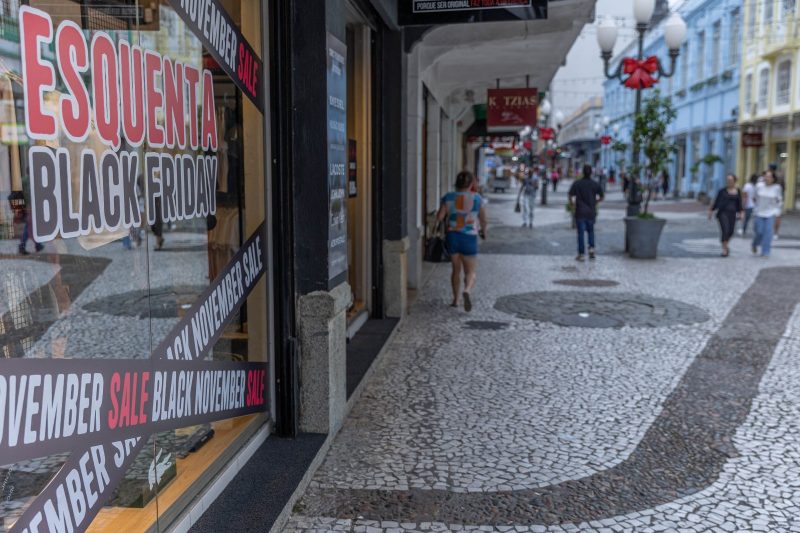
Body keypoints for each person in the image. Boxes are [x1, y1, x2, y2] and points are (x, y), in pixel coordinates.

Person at [436, 170, 487, 311]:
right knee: (470, 271)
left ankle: (456, 300)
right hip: (469, 237)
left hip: (453, 237)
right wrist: (484, 231)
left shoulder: (448, 197)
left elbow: (440, 217)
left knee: (455, 270)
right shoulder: (477, 198)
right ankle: (467, 290)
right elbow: (483, 219)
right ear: (471, 184)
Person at [568, 165, 604, 261]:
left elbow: (570, 194)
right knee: (591, 231)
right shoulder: (594, 184)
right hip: (591, 211)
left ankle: (581, 254)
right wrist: (596, 202)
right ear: (591, 172)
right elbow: (602, 196)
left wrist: (572, 204)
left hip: (580, 211)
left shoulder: (577, 183)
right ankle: (591, 248)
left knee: (580, 233)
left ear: (583, 172)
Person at [708, 174, 743, 257]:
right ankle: (725, 249)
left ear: (734, 181)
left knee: (731, 231)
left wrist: (741, 213)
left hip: (733, 214)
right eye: (727, 180)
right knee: (725, 229)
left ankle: (725, 244)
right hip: (722, 213)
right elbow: (716, 201)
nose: (729, 182)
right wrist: (711, 211)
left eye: (731, 180)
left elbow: (739, 203)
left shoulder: (738, 191)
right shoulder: (722, 191)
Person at [752, 171, 783, 258]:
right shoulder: (759, 186)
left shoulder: (777, 188)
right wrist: (756, 207)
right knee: (759, 232)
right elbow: (754, 197)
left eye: (769, 177)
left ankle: (765, 251)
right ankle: (754, 244)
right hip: (759, 212)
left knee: (768, 233)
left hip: (770, 213)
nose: (767, 178)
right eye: (766, 176)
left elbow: (779, 200)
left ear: (773, 179)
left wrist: (777, 212)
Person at [769, 163, 785, 240]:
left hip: (770, 198)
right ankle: (775, 233)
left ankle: (770, 232)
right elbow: (784, 187)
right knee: (777, 216)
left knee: (770, 215)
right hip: (778, 198)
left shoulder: (768, 175)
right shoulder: (780, 176)